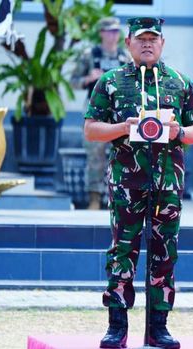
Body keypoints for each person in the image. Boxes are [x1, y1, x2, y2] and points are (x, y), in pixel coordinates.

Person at [83, 17, 193, 349]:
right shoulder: (110, 82)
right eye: (140, 39)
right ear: (128, 44)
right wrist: (123, 127)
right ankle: (117, 326)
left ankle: (158, 328)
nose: (147, 44)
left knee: (165, 253)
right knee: (122, 251)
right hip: (126, 182)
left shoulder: (179, 82)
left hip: (167, 182)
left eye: (153, 39)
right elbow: (91, 129)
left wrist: (178, 131)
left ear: (162, 43)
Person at [71, 17, 131, 210]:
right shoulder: (90, 55)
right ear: (101, 33)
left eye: (116, 31)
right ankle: (94, 199)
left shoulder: (124, 57)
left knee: (121, 153)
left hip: (119, 111)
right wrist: (89, 78)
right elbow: (73, 81)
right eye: (109, 31)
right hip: (96, 110)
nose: (113, 35)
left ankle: (115, 198)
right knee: (95, 156)